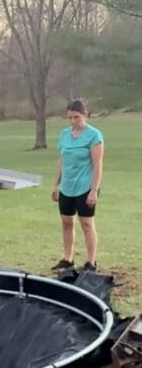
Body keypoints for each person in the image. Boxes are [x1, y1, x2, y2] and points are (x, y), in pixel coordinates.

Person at [51, 98, 104, 272]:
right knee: (66, 222)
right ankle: (68, 259)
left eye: (76, 117)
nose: (73, 121)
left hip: (85, 186)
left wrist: (94, 191)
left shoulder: (94, 136)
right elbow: (61, 161)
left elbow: (97, 164)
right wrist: (56, 185)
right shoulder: (64, 135)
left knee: (87, 224)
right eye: (70, 118)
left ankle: (91, 262)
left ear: (85, 115)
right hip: (67, 186)